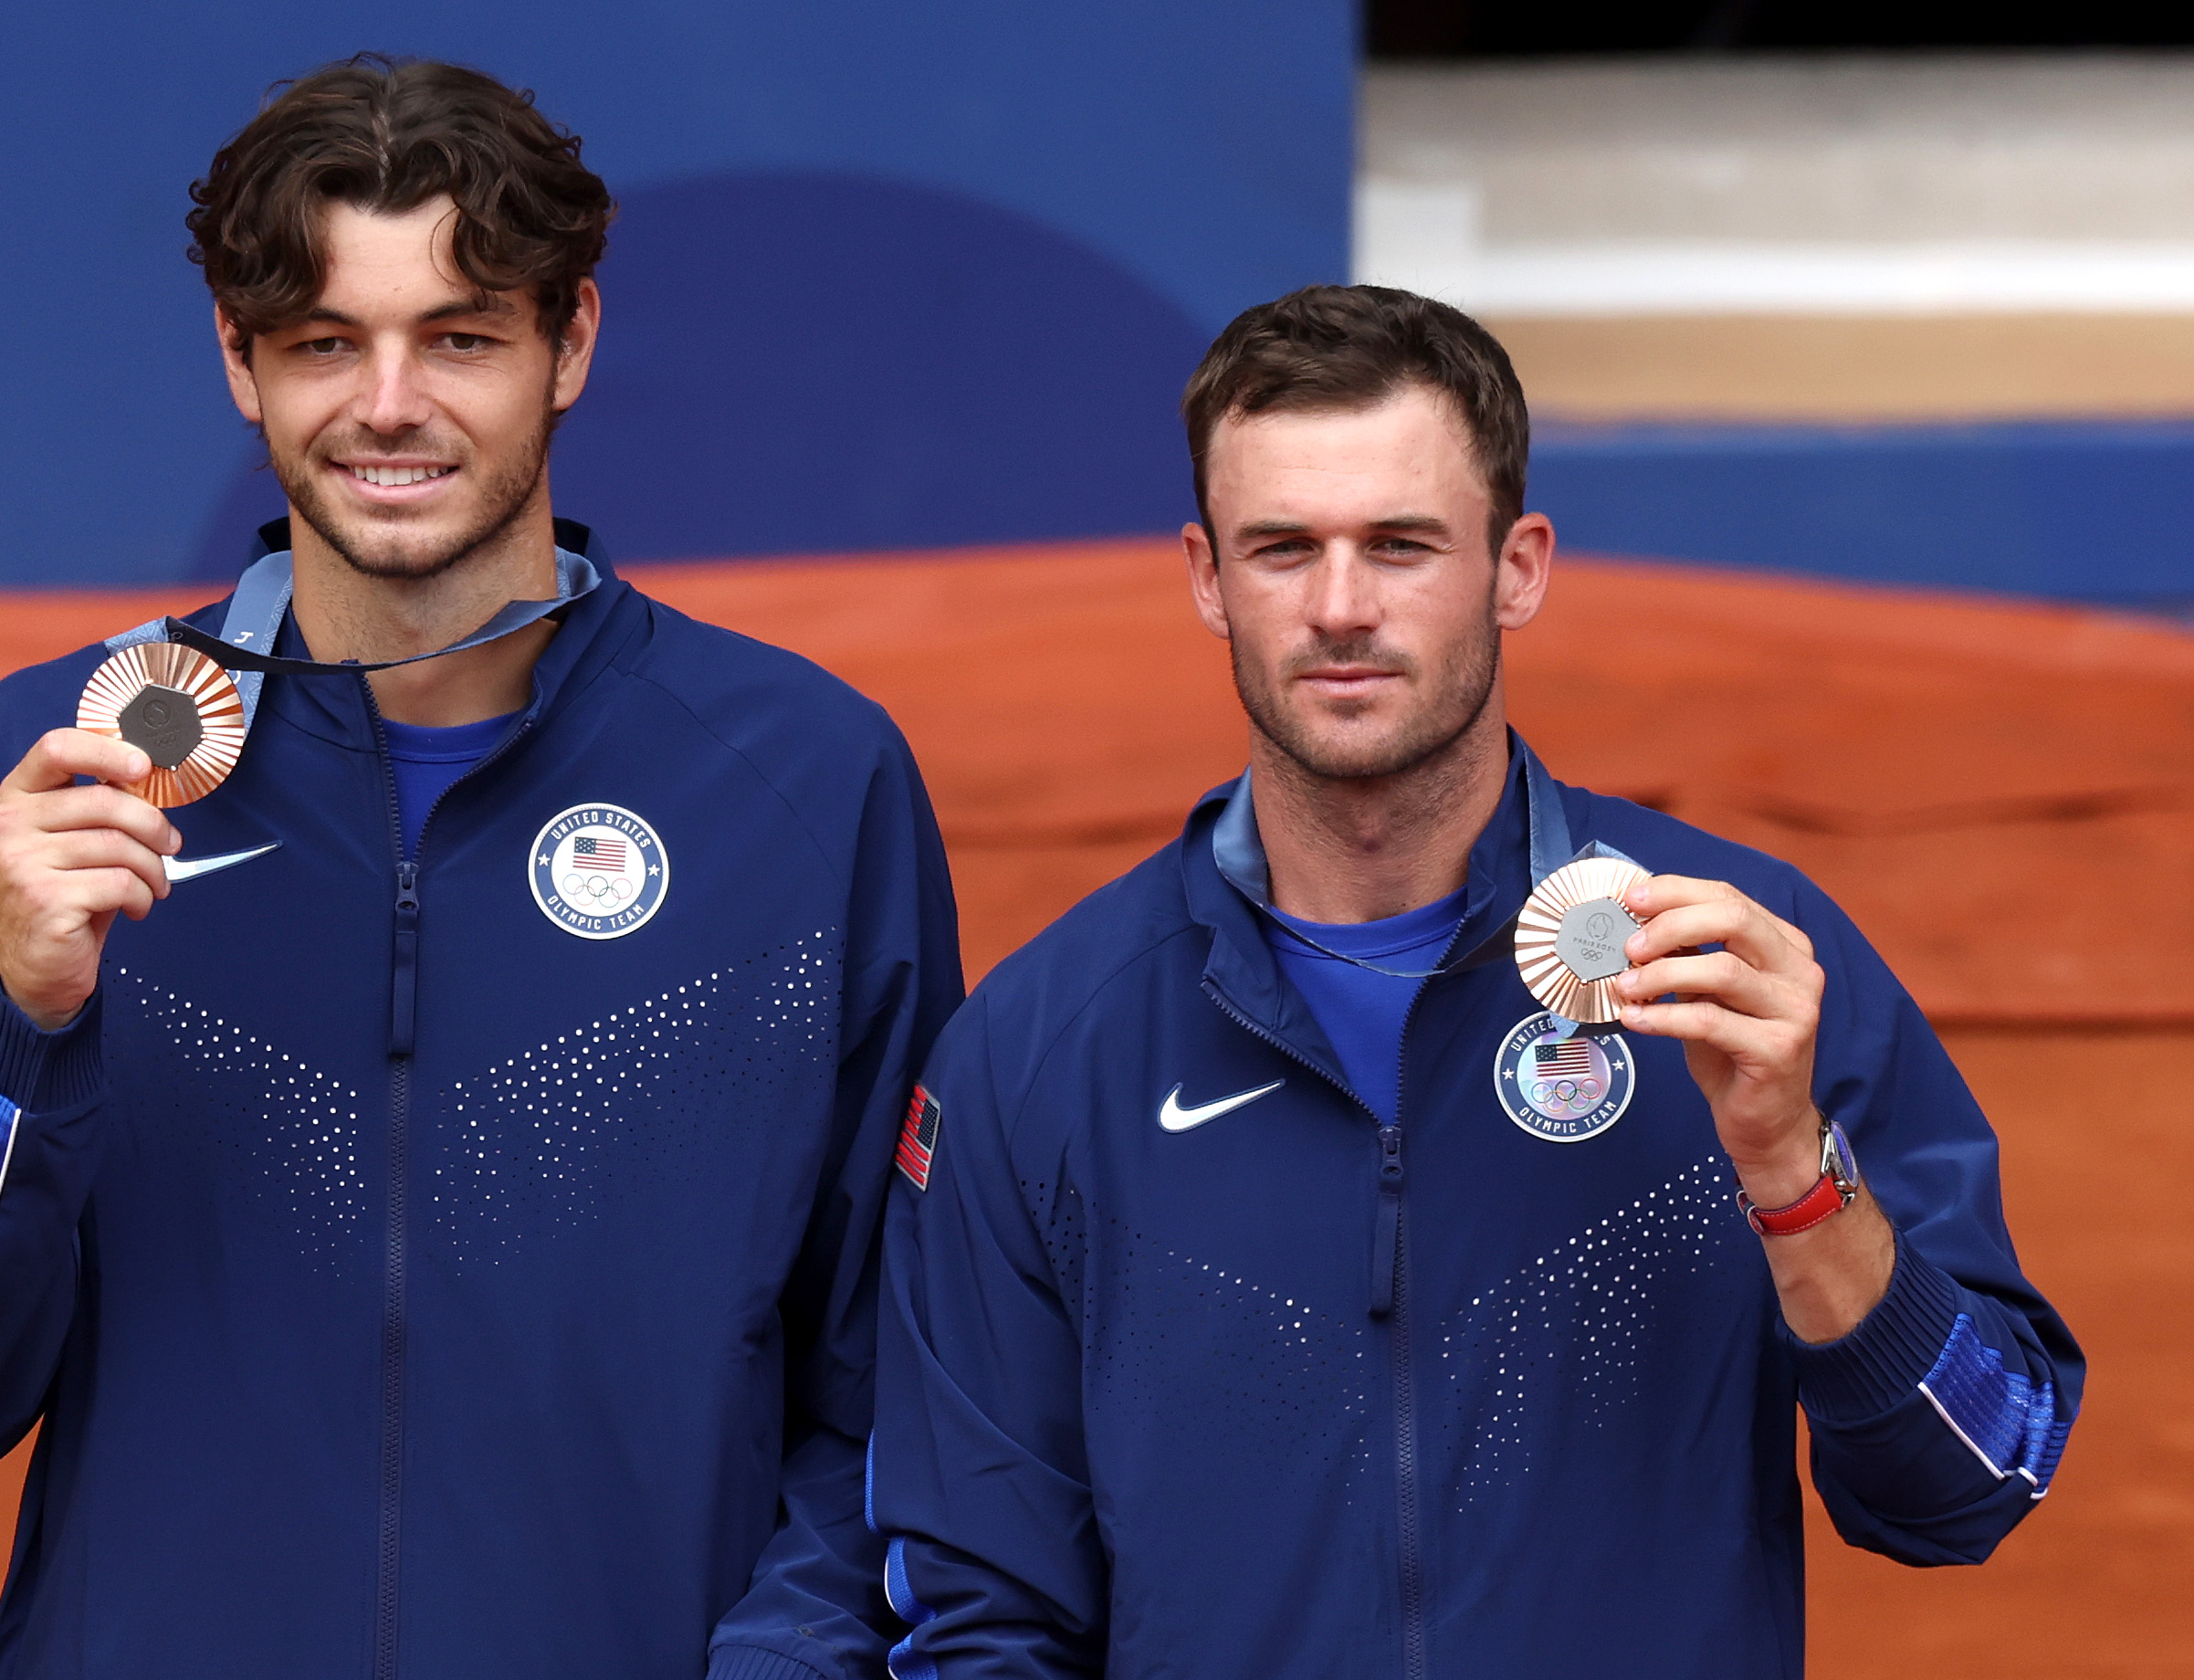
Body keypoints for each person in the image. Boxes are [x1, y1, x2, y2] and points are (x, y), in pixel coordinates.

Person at [0, 58, 960, 1680]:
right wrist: (25, 1026)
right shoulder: (61, 761)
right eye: (325, 343)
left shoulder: (803, 780)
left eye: (463, 336)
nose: (391, 404)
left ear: (572, 345)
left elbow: (910, 1380)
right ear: (240, 363)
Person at [867, 285, 2080, 1678]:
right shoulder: (1034, 1053)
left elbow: (1979, 1478)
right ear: (1205, 577)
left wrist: (1791, 1172)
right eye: (1281, 549)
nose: (1337, 607)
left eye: (1398, 546)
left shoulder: (1738, 965)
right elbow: (978, 1615)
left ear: (1517, 566)